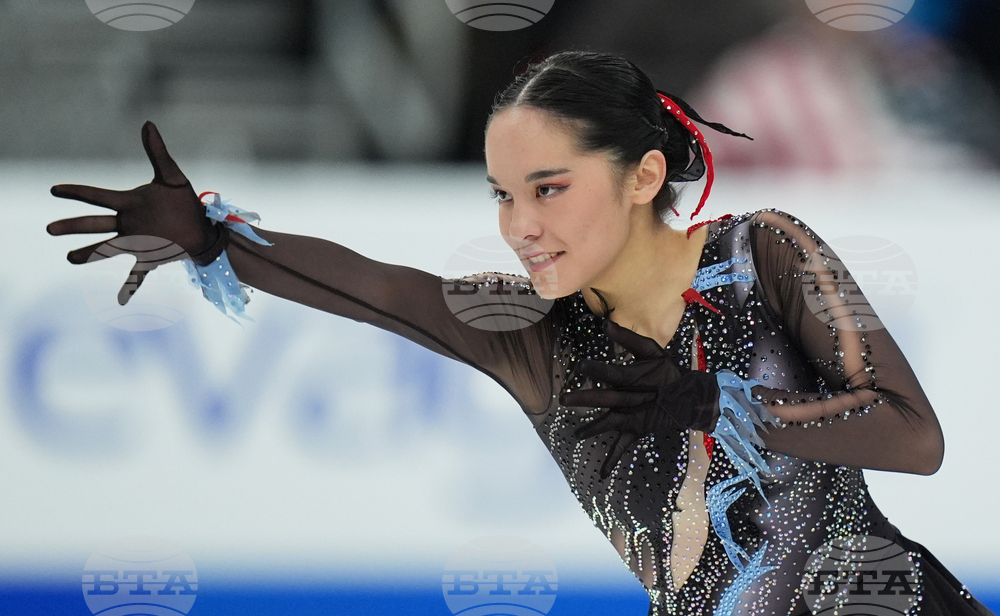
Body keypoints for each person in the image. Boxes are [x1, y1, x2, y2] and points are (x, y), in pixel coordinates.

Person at [47, 50, 995, 616]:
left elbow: (915, 435)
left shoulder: (766, 253)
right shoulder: (533, 339)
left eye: (549, 189)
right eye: (502, 195)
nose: (521, 225)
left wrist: (721, 400)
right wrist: (212, 237)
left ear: (640, 174)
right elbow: (380, 288)